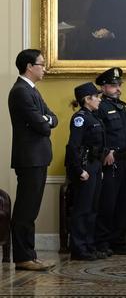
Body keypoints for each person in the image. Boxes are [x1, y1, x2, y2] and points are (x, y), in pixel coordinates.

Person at [8, 49, 58, 271]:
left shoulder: (32, 91)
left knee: (31, 210)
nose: (44, 68)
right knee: (25, 210)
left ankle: (29, 255)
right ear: (29, 66)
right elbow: (42, 126)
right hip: (29, 158)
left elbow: (52, 118)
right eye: (41, 64)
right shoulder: (20, 91)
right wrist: (45, 120)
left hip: (38, 157)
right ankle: (22, 257)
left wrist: (45, 119)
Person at [94, 67, 126, 256]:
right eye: (114, 85)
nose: (118, 88)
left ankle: (118, 241)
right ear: (103, 87)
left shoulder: (123, 106)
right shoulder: (99, 107)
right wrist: (105, 151)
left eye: (119, 85)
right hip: (108, 163)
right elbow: (97, 132)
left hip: (125, 161)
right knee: (107, 203)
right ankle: (102, 243)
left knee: (123, 203)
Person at [65, 82, 106, 261]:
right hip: (85, 166)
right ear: (87, 99)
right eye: (96, 97)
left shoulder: (94, 117)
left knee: (92, 208)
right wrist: (79, 170)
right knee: (82, 209)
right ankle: (79, 249)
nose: (99, 100)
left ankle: (89, 246)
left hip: (95, 165)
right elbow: (73, 146)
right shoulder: (80, 118)